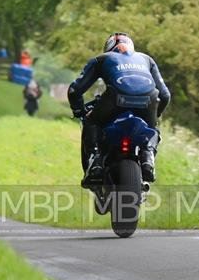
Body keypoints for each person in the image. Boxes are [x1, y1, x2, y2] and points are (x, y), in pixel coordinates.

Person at [67, 32, 170, 186]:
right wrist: (155, 115)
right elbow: (165, 95)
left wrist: (79, 111)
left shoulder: (102, 59)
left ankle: (95, 162)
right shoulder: (147, 59)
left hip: (116, 97)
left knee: (91, 122)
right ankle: (148, 157)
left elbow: (74, 91)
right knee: (152, 129)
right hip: (149, 99)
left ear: (108, 48)